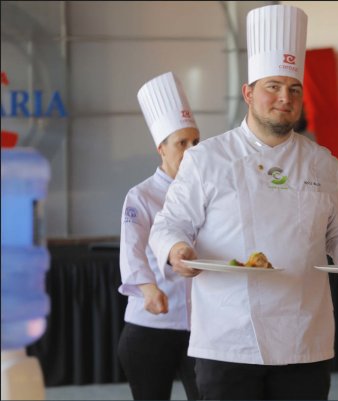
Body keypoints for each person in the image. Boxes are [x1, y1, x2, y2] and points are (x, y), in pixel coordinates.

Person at [148, 4, 338, 400]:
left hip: (304, 340)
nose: (285, 97)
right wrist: (178, 251)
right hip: (228, 340)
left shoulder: (322, 162)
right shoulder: (207, 159)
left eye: (294, 88)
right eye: (273, 86)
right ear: (248, 93)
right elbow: (168, 225)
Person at [117, 71, 200, 400]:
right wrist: (149, 290)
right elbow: (132, 250)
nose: (192, 150)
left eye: (196, 141)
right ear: (161, 148)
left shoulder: (204, 192)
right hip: (150, 326)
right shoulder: (141, 196)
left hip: (200, 328)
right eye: (182, 143)